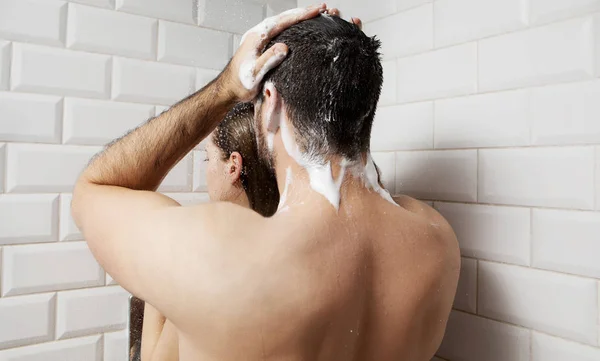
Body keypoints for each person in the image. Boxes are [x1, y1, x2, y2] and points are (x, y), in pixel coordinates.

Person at [72, 4, 460, 361]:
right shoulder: (436, 239)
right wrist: (344, 75)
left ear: (270, 101)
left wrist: (226, 87)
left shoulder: (223, 253)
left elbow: (95, 188)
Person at [129, 103, 280, 361]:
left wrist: (156, 276)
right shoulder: (289, 241)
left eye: (208, 158)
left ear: (233, 166)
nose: (207, 170)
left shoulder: (211, 261)